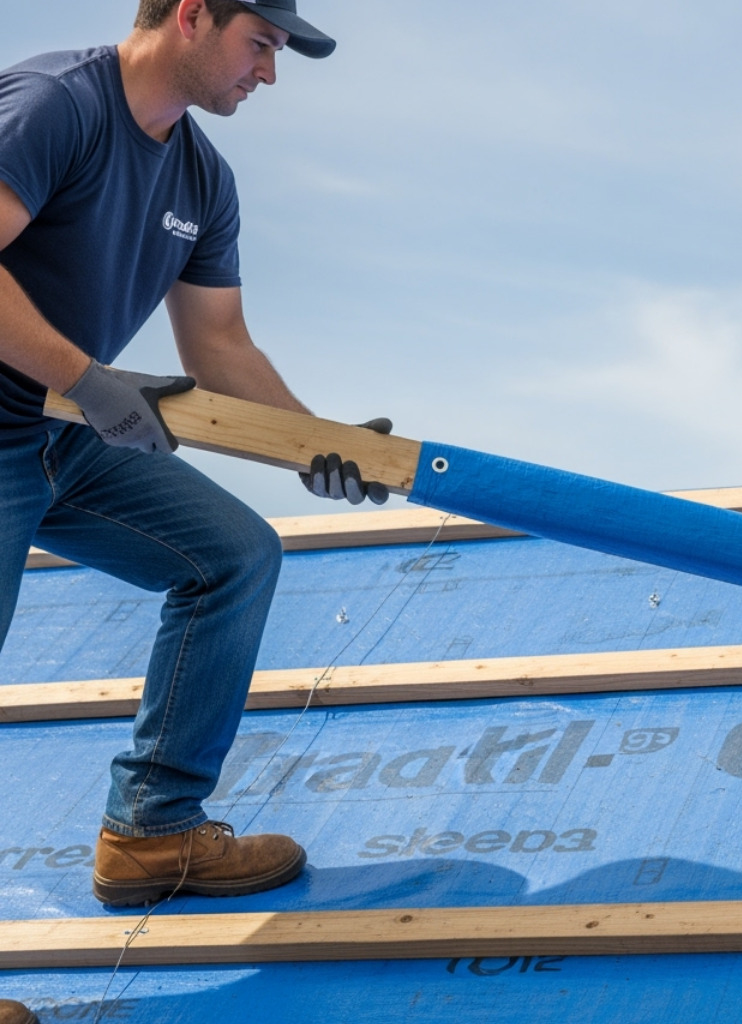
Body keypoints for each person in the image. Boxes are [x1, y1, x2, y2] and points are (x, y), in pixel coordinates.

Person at [0, 0, 388, 908]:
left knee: (232, 558)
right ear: (189, 16)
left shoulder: (202, 179)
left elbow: (219, 348)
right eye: (260, 44)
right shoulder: (57, 105)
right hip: (34, 420)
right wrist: (89, 379)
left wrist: (316, 445)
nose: (270, 72)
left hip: (60, 435)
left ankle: (152, 834)